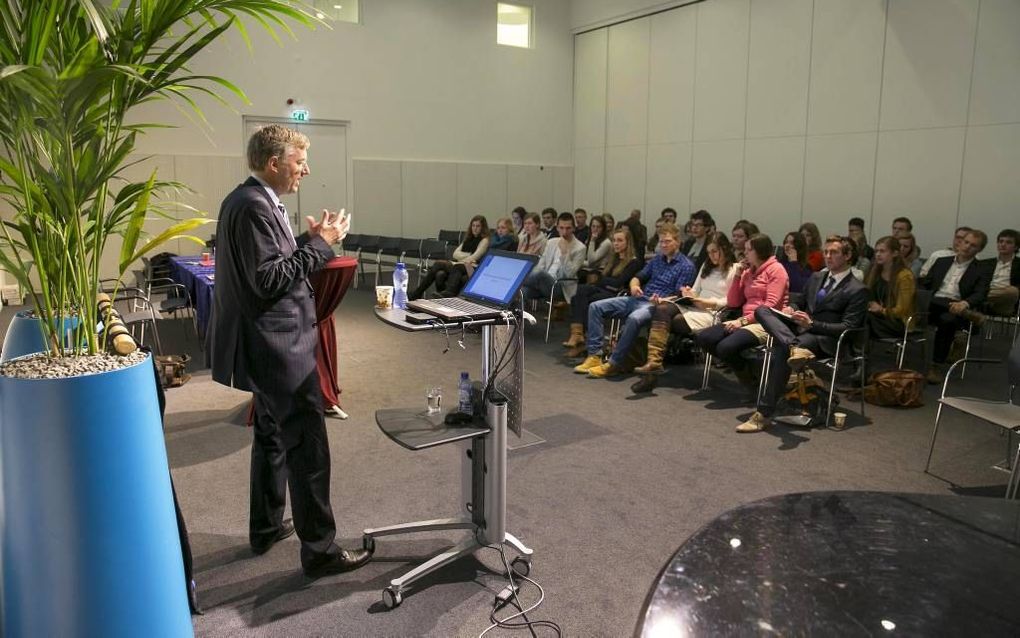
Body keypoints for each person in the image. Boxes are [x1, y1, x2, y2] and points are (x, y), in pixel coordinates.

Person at [206, 124, 371, 578]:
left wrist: (304, 242)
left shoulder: (250, 200)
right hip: (279, 346)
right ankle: (320, 551)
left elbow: (271, 264)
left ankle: (266, 527)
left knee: (272, 437)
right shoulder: (254, 206)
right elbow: (270, 281)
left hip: (268, 344)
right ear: (274, 163)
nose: (306, 169)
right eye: (299, 162)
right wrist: (321, 244)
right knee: (308, 448)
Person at [740, 236, 868, 433]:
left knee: (783, 351)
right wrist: (791, 308)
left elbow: (848, 328)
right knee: (761, 311)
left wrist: (813, 324)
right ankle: (794, 346)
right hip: (799, 329)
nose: (827, 256)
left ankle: (763, 414)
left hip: (827, 338)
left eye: (833, 252)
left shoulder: (857, 289)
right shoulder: (817, 277)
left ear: (848, 256)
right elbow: (799, 301)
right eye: (826, 252)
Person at [574, 223, 697, 378]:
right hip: (639, 297)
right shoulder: (657, 260)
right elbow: (637, 277)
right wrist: (634, 285)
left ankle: (614, 363)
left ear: (678, 242)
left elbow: (680, 296)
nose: (663, 245)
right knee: (595, 307)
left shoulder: (686, 266)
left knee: (634, 318)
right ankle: (594, 356)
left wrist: (662, 300)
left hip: (657, 305)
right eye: (661, 242)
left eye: (668, 241)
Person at [630, 232, 739, 391]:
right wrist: (689, 293)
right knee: (662, 309)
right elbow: (695, 290)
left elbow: (731, 301)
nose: (712, 256)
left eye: (715, 251)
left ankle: (652, 372)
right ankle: (654, 363)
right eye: (709, 252)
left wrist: (707, 302)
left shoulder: (735, 270)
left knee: (666, 321)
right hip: (694, 305)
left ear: (725, 249)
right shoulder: (707, 265)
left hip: (712, 312)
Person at [695, 233, 789, 389]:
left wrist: (743, 321)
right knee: (704, 337)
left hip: (767, 323)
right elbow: (733, 302)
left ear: (759, 251)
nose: (744, 253)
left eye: (748, 250)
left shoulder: (776, 270)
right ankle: (750, 376)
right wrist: (738, 276)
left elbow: (770, 306)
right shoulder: (748, 271)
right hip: (745, 320)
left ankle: (750, 382)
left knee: (725, 347)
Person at [920, 229, 992, 383]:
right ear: (960, 242)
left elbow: (980, 294)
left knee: (947, 320)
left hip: (957, 309)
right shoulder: (941, 262)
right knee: (929, 300)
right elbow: (927, 285)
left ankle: (935, 366)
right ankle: (968, 313)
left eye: (973, 245)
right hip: (932, 306)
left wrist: (964, 304)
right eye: (966, 242)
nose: (967, 247)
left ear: (979, 249)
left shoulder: (982, 269)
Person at [562, 227, 642, 357]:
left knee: (587, 301)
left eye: (620, 240)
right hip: (603, 290)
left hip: (618, 296)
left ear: (628, 243)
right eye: (614, 240)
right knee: (579, 293)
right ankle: (578, 335)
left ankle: (582, 339)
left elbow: (617, 283)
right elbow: (606, 280)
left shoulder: (634, 262)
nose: (616, 243)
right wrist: (604, 281)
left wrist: (603, 281)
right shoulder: (614, 259)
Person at [409, 215, 490, 299]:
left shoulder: (484, 240)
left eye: (478, 226)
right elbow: (455, 254)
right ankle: (433, 296)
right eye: (473, 226)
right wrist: (468, 254)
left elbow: (474, 257)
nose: (475, 228)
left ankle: (419, 293)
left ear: (482, 228)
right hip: (460, 265)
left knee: (438, 264)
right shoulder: (468, 239)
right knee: (440, 273)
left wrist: (460, 259)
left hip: (471, 267)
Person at [520, 212, 586, 303]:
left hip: (562, 287)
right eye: (561, 228)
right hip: (543, 282)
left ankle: (512, 280)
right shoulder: (552, 242)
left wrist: (565, 254)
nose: (564, 232)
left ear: (574, 228)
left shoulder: (580, 247)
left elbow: (569, 274)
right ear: (557, 228)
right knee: (523, 291)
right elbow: (541, 264)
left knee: (539, 274)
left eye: (568, 228)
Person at [864, 236, 915, 339]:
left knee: (865, 319)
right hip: (877, 317)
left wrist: (881, 310)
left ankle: (858, 351)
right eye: (876, 251)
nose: (878, 254)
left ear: (895, 253)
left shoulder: (904, 276)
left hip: (897, 322)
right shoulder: (874, 272)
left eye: (882, 251)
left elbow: (902, 310)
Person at [982, 229, 1020, 317]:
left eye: (1008, 242)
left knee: (1013, 291)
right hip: (986, 297)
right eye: (1000, 241)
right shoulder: (985, 264)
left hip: (1006, 302)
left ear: (1016, 247)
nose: (1003, 244)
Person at [576, 214, 611, 283]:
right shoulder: (588, 239)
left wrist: (592, 241)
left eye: (598, 227)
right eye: (593, 226)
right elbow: (584, 257)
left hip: (598, 271)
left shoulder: (606, 242)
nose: (595, 229)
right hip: (588, 268)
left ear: (603, 228)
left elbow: (591, 261)